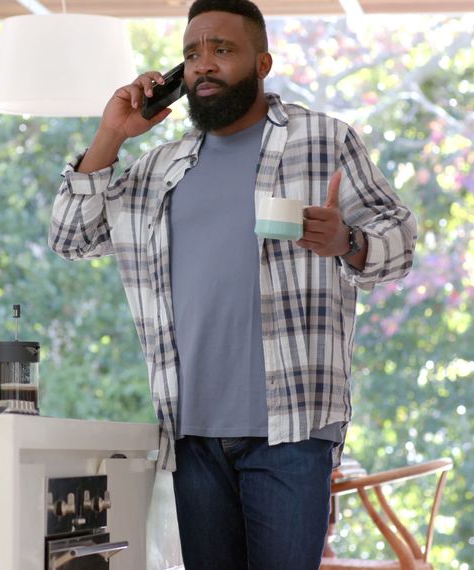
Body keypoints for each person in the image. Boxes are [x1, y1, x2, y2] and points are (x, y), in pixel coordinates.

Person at [49, 0, 417, 567]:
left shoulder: (323, 141)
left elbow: (399, 243)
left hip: (294, 427)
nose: (204, 65)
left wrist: (347, 241)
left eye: (222, 50)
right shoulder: (159, 169)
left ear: (261, 63)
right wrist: (111, 134)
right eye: (192, 54)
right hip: (191, 433)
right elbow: (71, 237)